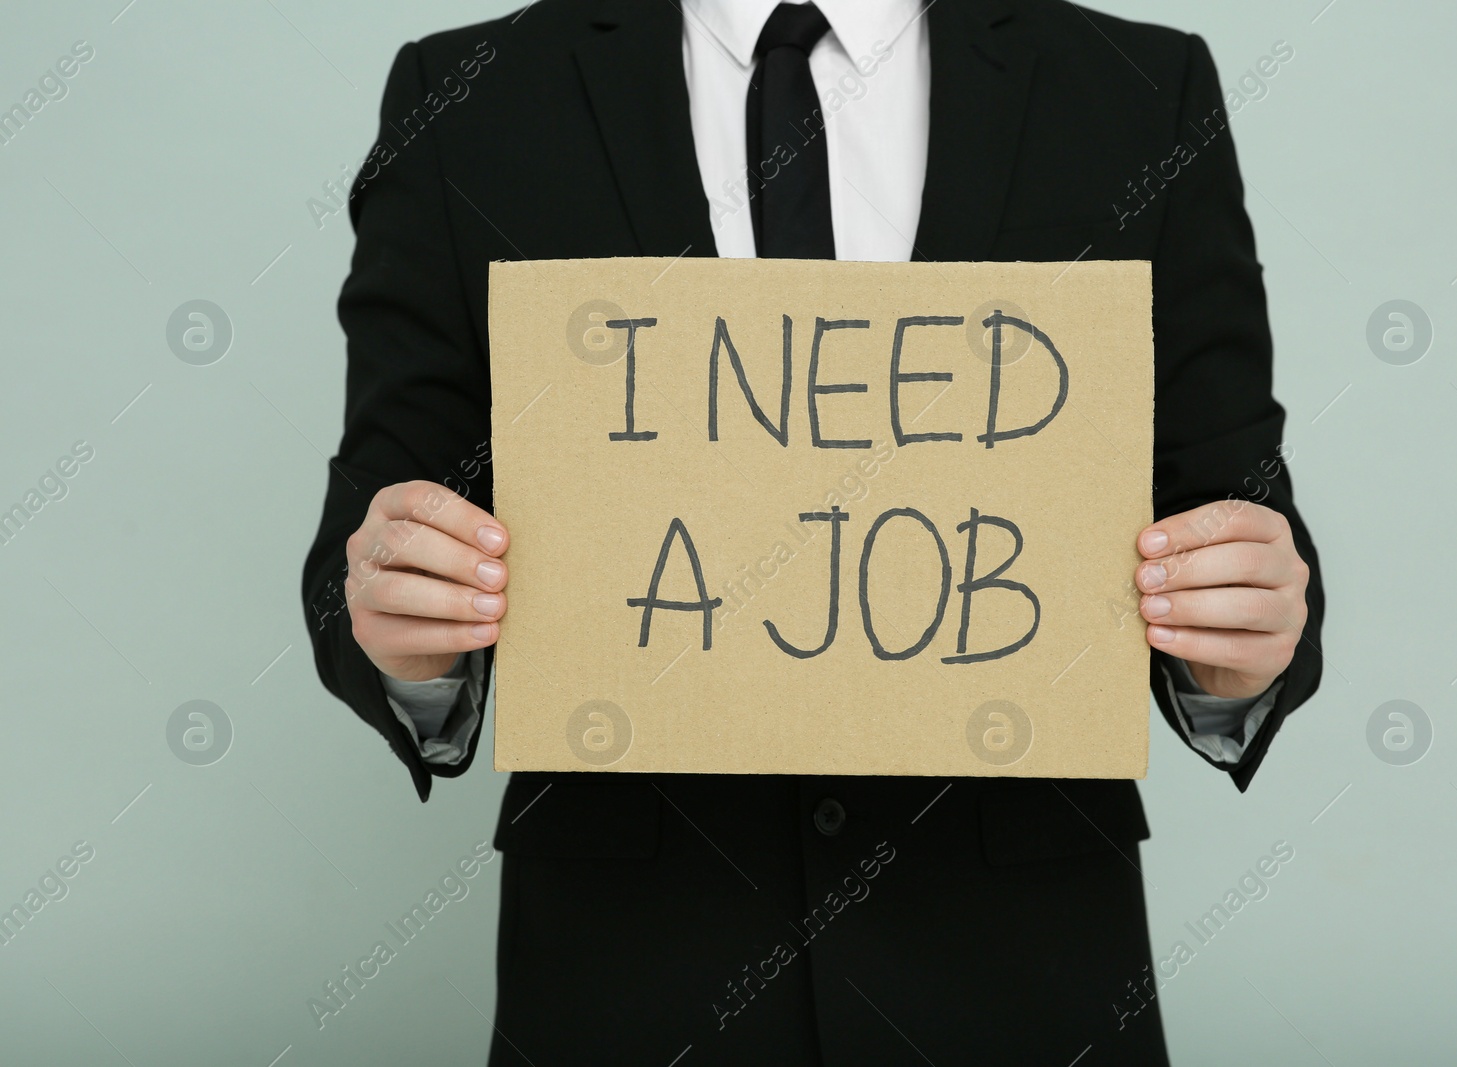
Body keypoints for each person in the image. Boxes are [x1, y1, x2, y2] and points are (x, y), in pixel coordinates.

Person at [301, 0, 1324, 1062]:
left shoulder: (1140, 90)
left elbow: (1240, 510)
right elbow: (366, 538)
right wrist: (405, 628)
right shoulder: (468, 95)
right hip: (636, 979)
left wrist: (1239, 637)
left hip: (1017, 980)